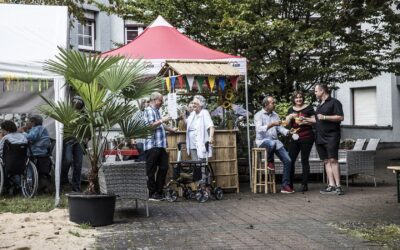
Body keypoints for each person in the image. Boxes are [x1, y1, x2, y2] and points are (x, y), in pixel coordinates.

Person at [307, 84, 344, 195]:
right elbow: (318, 120)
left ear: (322, 91)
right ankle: (331, 185)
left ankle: (338, 186)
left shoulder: (334, 102)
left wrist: (325, 117)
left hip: (332, 136)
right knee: (326, 161)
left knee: (333, 160)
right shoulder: (320, 104)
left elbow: (340, 117)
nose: (315, 93)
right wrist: (306, 120)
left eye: (316, 91)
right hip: (319, 136)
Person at [254, 96, 294, 194]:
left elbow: (279, 128)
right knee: (271, 143)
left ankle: (285, 186)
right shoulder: (258, 115)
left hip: (275, 142)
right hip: (262, 141)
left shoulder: (275, 115)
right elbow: (259, 129)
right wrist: (271, 124)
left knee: (288, 161)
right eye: (272, 102)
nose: (274, 104)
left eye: (274, 102)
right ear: (266, 104)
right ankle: (269, 161)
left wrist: (288, 132)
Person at [143, 92, 177, 201]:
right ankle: (152, 194)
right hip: (152, 145)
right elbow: (150, 126)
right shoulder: (148, 110)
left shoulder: (156, 111)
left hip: (160, 145)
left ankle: (158, 191)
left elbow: (160, 124)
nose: (162, 102)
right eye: (160, 100)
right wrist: (163, 120)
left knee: (164, 167)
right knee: (151, 170)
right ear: (154, 99)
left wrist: (170, 129)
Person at [285, 91, 315, 192]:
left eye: (300, 97)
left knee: (304, 160)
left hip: (307, 137)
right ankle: (290, 184)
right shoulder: (290, 109)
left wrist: (305, 119)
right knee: (291, 160)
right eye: (296, 98)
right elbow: (286, 124)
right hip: (294, 137)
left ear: (303, 98)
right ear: (293, 99)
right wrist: (289, 117)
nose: (299, 99)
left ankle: (304, 184)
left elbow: (315, 121)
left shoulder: (309, 108)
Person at [20, 115, 52, 192]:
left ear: (33, 122)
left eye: (28, 122)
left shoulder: (36, 128)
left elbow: (31, 137)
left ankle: (29, 185)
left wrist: (23, 132)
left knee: (28, 166)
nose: (26, 123)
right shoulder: (42, 129)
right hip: (43, 152)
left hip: (36, 152)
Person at [61, 96, 85, 192]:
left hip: (79, 140)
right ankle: (63, 181)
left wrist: (87, 138)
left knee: (78, 164)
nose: (77, 103)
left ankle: (76, 187)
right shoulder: (67, 112)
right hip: (68, 139)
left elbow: (88, 128)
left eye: (79, 102)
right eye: (75, 102)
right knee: (67, 160)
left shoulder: (84, 115)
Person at [185, 95, 215, 161]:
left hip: (201, 142)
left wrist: (211, 137)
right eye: (192, 103)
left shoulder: (204, 112)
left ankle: (204, 171)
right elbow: (187, 123)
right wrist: (183, 116)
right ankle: (197, 172)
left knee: (202, 164)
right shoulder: (192, 114)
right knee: (195, 164)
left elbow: (211, 126)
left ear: (201, 104)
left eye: (195, 103)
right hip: (192, 143)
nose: (193, 105)